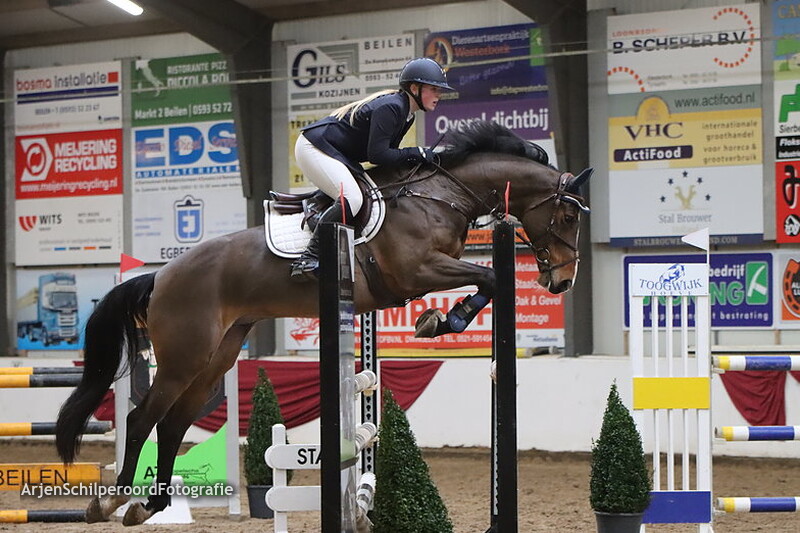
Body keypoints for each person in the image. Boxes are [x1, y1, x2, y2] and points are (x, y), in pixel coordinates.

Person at [290, 57, 453, 280]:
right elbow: (379, 155)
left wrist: (418, 157)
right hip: (315, 147)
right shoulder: (392, 107)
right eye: (434, 89)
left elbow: (389, 158)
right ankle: (308, 258)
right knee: (353, 199)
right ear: (414, 88)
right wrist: (416, 152)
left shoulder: (407, 115)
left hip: (336, 152)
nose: (438, 95)